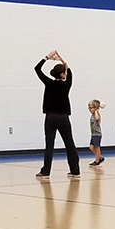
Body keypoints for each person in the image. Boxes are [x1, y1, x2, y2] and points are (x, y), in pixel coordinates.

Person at [34, 50, 80, 178]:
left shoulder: (49, 83)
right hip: (63, 119)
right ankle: (75, 170)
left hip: (50, 118)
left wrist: (46, 57)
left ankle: (45, 171)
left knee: (49, 145)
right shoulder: (67, 84)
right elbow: (70, 72)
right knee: (69, 144)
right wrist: (61, 58)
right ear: (63, 74)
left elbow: (37, 69)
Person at [88, 99, 105, 167]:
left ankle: (97, 160)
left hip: (97, 134)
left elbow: (97, 119)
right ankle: (100, 157)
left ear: (96, 108)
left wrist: (96, 111)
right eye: (89, 108)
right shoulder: (92, 115)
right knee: (91, 147)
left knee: (97, 147)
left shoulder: (96, 114)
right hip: (93, 134)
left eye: (92, 108)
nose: (90, 109)